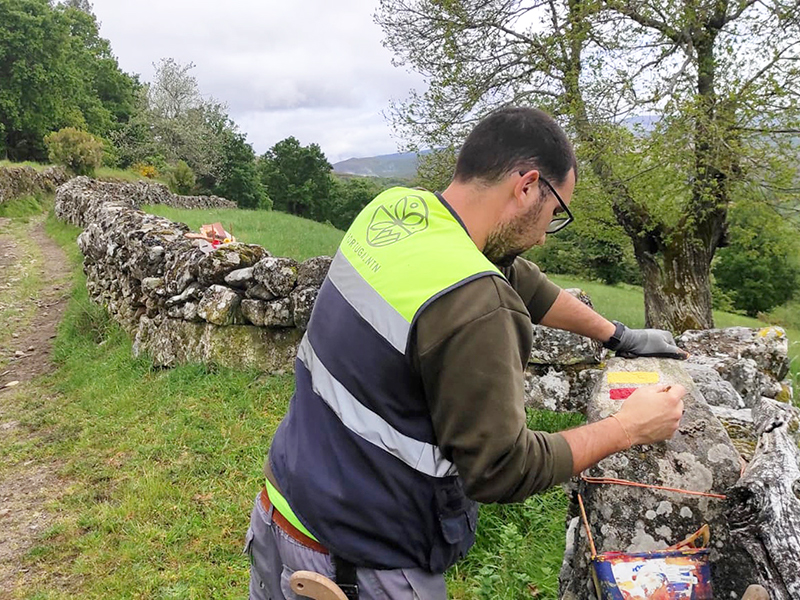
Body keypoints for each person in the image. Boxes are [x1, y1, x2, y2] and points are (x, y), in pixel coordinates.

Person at [244, 106, 687, 600]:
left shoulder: (397, 211)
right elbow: (502, 468)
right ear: (527, 186)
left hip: (278, 513)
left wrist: (615, 334)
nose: (544, 234)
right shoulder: (478, 303)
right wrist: (629, 427)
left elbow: (520, 280)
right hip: (360, 569)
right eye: (555, 211)